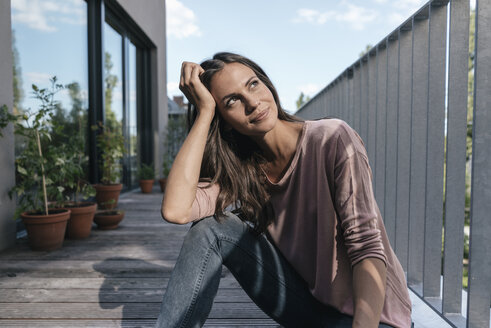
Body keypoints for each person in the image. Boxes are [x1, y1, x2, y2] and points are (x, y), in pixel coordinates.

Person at [156, 52, 412, 328]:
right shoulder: (243, 170)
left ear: (267, 84)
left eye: (253, 84)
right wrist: (204, 113)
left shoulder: (333, 139)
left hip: (373, 317)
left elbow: (367, 246)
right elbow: (176, 210)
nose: (252, 103)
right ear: (224, 121)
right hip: (307, 307)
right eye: (232, 101)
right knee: (209, 230)